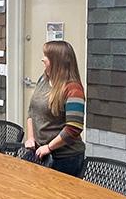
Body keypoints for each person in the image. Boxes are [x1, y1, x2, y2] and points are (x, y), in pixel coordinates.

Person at [24, 40, 86, 177]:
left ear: (56, 61)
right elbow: (31, 111)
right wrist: (31, 138)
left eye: (46, 56)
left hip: (65, 159)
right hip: (41, 153)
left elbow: (73, 128)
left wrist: (49, 147)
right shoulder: (43, 80)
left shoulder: (73, 89)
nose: (42, 59)